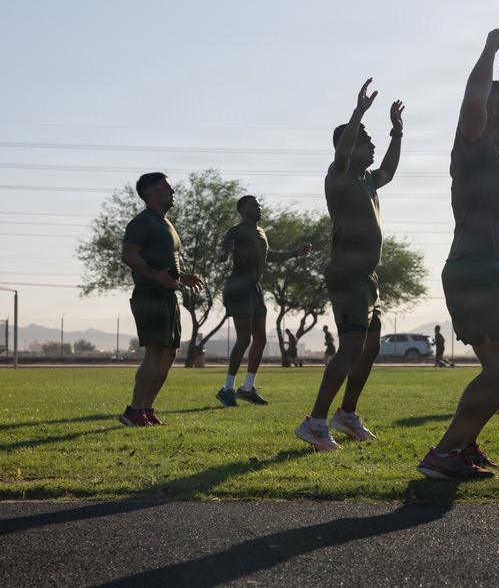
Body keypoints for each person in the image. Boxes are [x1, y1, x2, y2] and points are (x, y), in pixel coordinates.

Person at [416, 27, 499, 480]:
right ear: (492, 113)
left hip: (485, 272)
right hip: (475, 271)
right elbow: (474, 102)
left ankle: (461, 447)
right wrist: (489, 52)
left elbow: (496, 100)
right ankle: (443, 453)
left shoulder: (495, 155)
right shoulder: (474, 148)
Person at [293, 79, 403, 451]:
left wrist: (396, 134)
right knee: (351, 348)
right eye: (366, 140)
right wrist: (358, 113)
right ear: (350, 145)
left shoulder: (367, 180)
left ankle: (347, 415)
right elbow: (343, 149)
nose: (371, 145)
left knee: (368, 350)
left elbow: (388, 171)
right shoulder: (338, 175)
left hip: (367, 277)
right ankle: (315, 422)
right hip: (347, 272)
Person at [118, 172, 205, 427]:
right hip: (150, 293)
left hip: (167, 295)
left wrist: (182, 276)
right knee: (155, 353)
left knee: (170, 354)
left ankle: (145, 409)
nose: (173, 190)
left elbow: (165, 261)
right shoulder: (143, 221)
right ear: (151, 193)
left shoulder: (165, 222)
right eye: (167, 186)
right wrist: (155, 275)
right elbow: (128, 255)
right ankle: (133, 410)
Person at [214, 195, 312, 407]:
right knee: (243, 340)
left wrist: (295, 253)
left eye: (259, 204)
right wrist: (225, 253)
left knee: (260, 339)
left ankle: (247, 389)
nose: (259, 207)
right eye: (253, 205)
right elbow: (221, 255)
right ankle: (227, 389)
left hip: (255, 288)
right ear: (242, 210)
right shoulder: (236, 230)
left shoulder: (261, 232)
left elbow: (266, 256)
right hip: (239, 286)